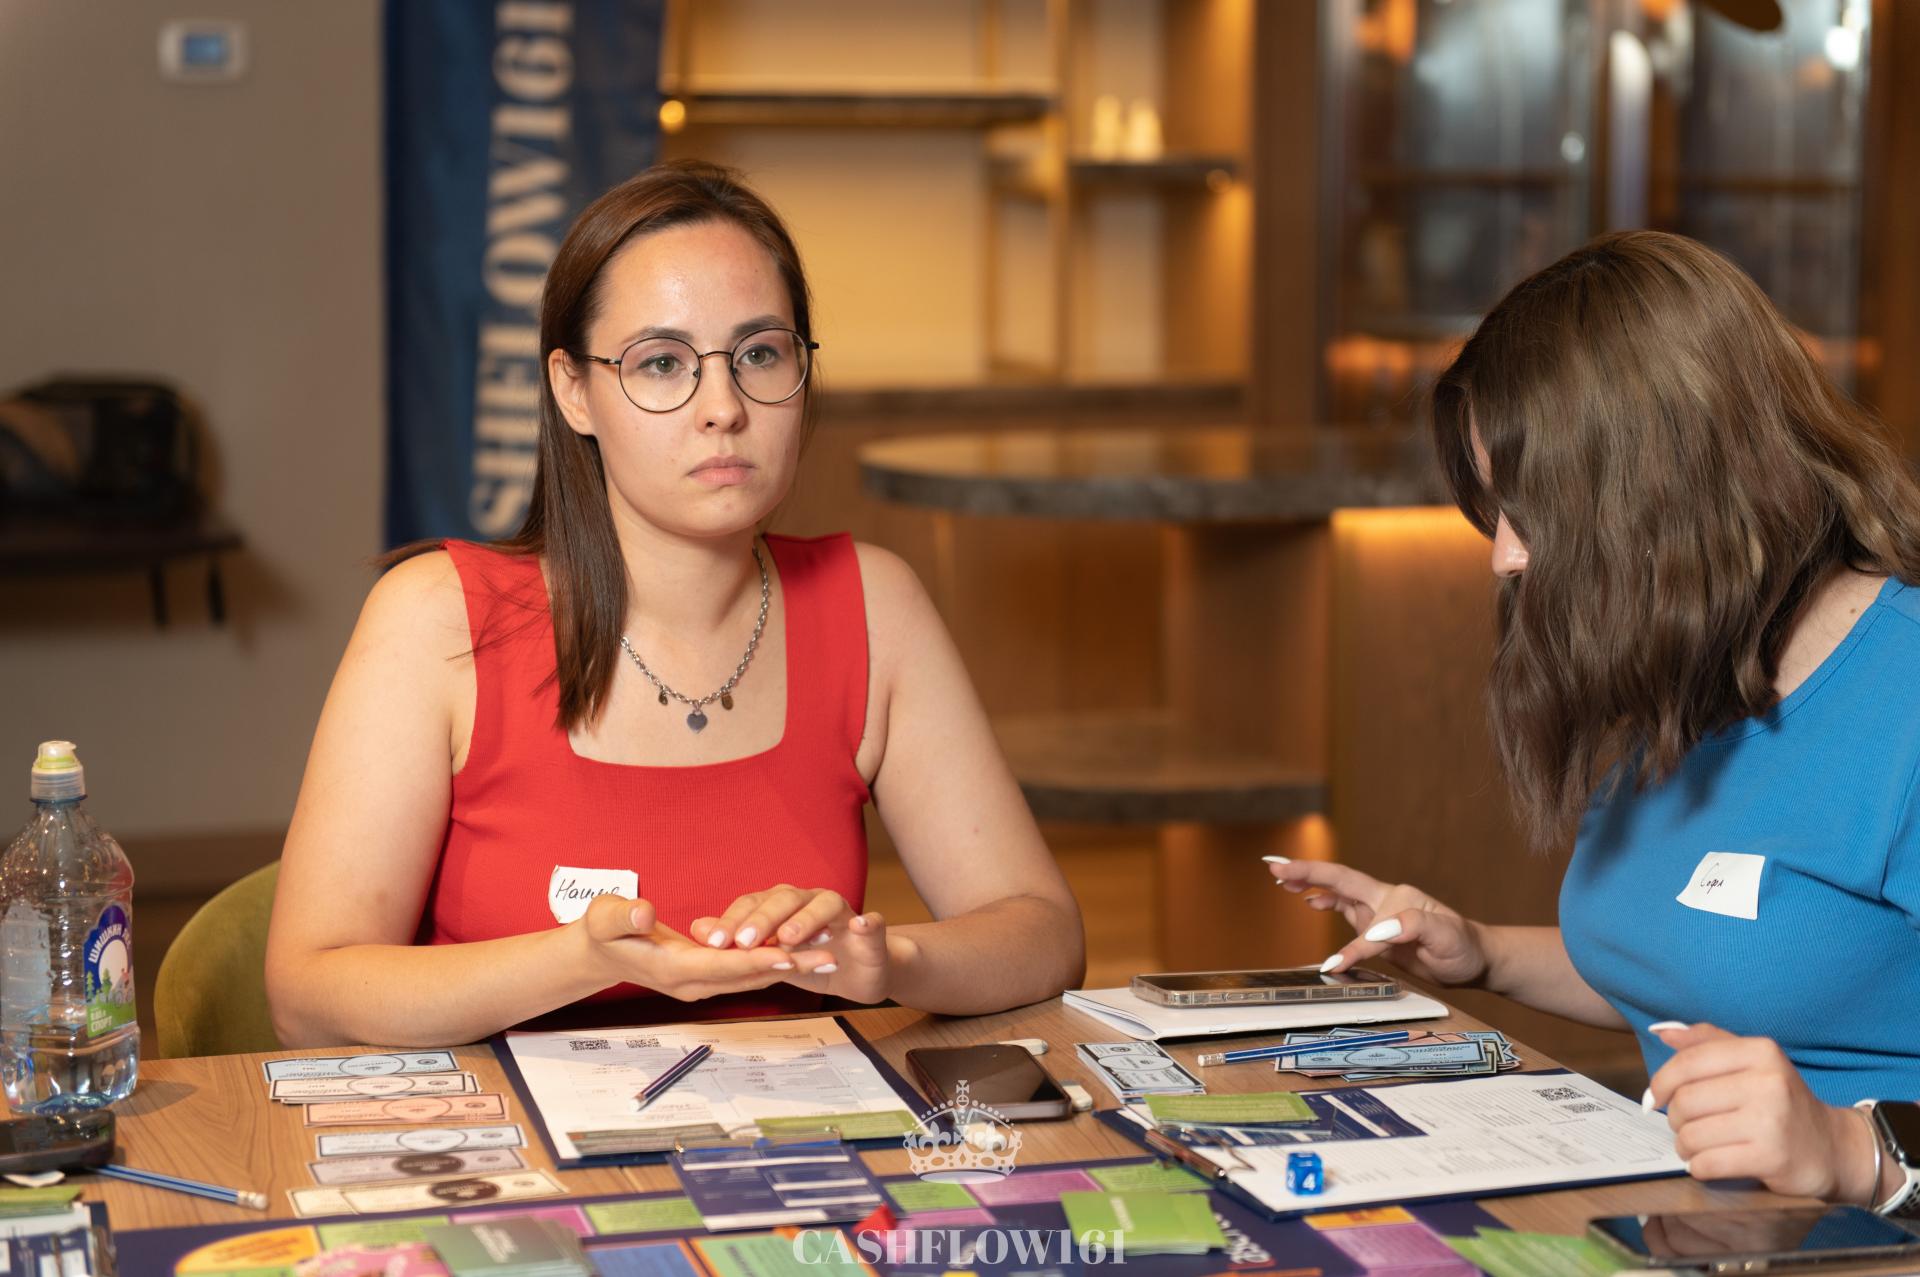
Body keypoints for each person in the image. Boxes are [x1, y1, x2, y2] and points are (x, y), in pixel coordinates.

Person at [265, 161, 1085, 1047]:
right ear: (573, 390)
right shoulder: (436, 619)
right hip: (507, 1132)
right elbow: (307, 993)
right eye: (662, 363)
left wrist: (887, 963)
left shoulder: (874, 604)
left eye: (760, 353)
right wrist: (579, 959)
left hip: (794, 1124)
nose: (723, 408)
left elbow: (1044, 933)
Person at [1271, 230, 1920, 1213]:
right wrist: (1482, 951)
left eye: (1533, 511)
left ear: (1665, 488)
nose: (1504, 556)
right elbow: (1689, 954)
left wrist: (1858, 1148)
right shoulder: (1695, 657)